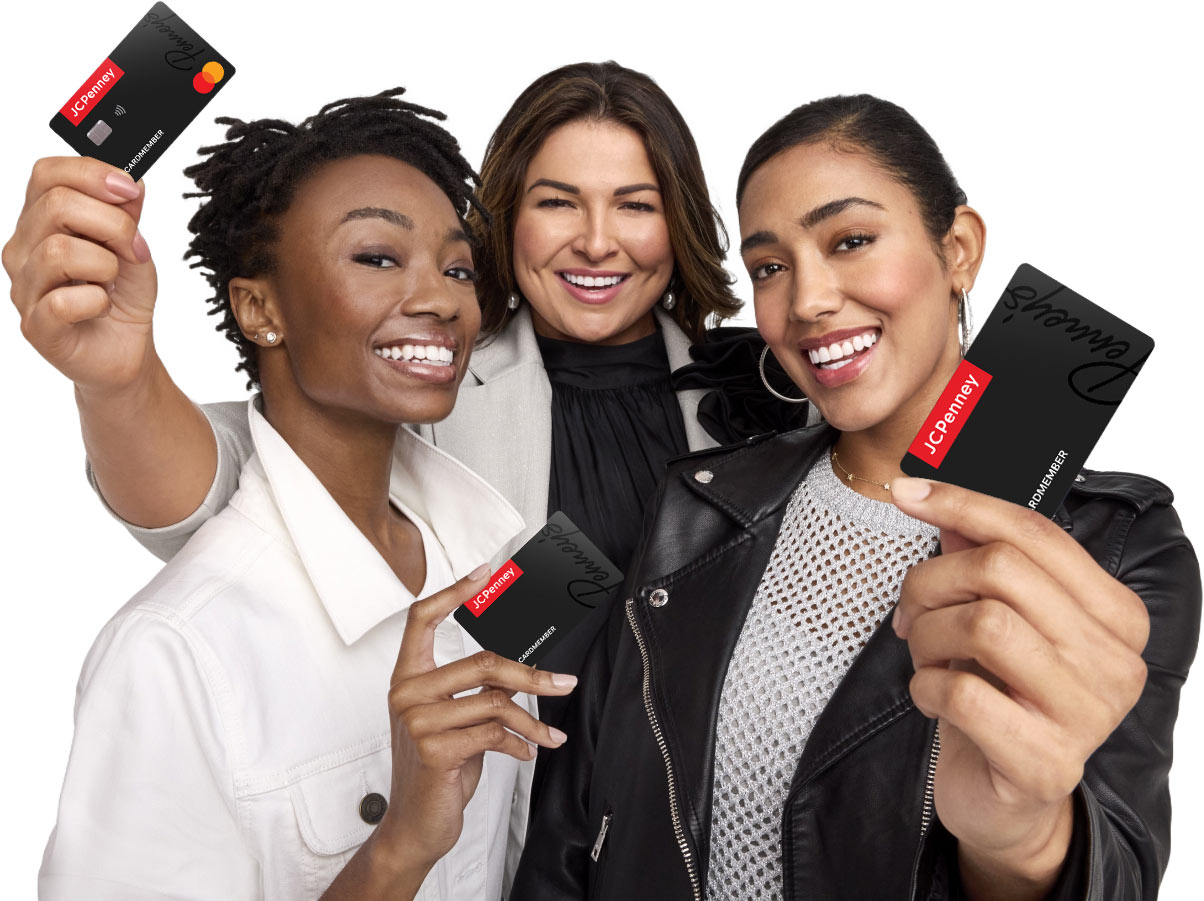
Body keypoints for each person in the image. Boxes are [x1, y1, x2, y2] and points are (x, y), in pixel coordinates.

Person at [510, 94, 1201, 900]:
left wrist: (1022, 838)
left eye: (851, 240)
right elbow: (576, 824)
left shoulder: (1116, 545)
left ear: (961, 250)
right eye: (770, 266)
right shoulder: (697, 505)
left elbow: (1118, 870)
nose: (806, 301)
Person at [18, 90, 581, 901]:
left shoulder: (486, 558)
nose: (442, 298)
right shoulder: (174, 652)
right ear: (259, 308)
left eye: (458, 267)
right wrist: (397, 848)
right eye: (378, 257)